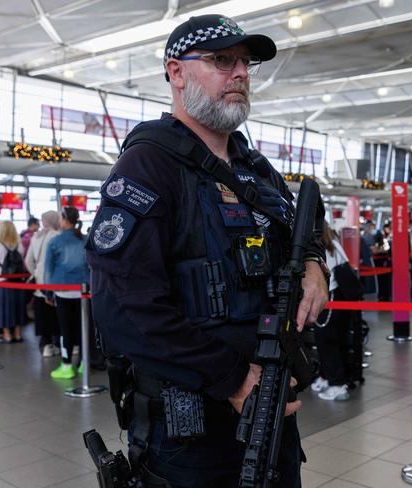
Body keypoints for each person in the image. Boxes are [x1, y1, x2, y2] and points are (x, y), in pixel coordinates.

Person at [85, 14, 328, 488]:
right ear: (176, 73)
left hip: (274, 409)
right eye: (222, 60)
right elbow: (122, 308)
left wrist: (316, 266)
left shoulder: (256, 169)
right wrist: (233, 379)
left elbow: (301, 232)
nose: (240, 73)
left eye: (245, 63)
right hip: (190, 436)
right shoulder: (148, 166)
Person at [45, 207, 89, 379]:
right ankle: (84, 362)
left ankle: (66, 365)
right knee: (83, 328)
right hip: (84, 291)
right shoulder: (84, 239)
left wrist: (48, 293)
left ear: (64, 220)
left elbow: (49, 270)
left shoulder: (55, 242)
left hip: (63, 291)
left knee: (66, 329)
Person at [312, 223, 353, 401]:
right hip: (336, 296)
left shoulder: (319, 248)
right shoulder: (333, 244)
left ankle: (337, 384)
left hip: (330, 297)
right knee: (326, 340)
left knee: (327, 341)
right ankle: (326, 376)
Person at [25, 211, 61, 357]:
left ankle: (46, 345)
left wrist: (36, 273)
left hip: (39, 284)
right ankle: (60, 344)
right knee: (56, 314)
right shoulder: (57, 236)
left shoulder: (35, 236)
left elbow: (28, 260)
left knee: (42, 315)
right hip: (55, 282)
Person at [0, 221, 25, 343]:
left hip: (1, 280)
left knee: (2, 308)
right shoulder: (18, 244)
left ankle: (7, 334)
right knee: (18, 307)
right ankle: (18, 333)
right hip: (18, 280)